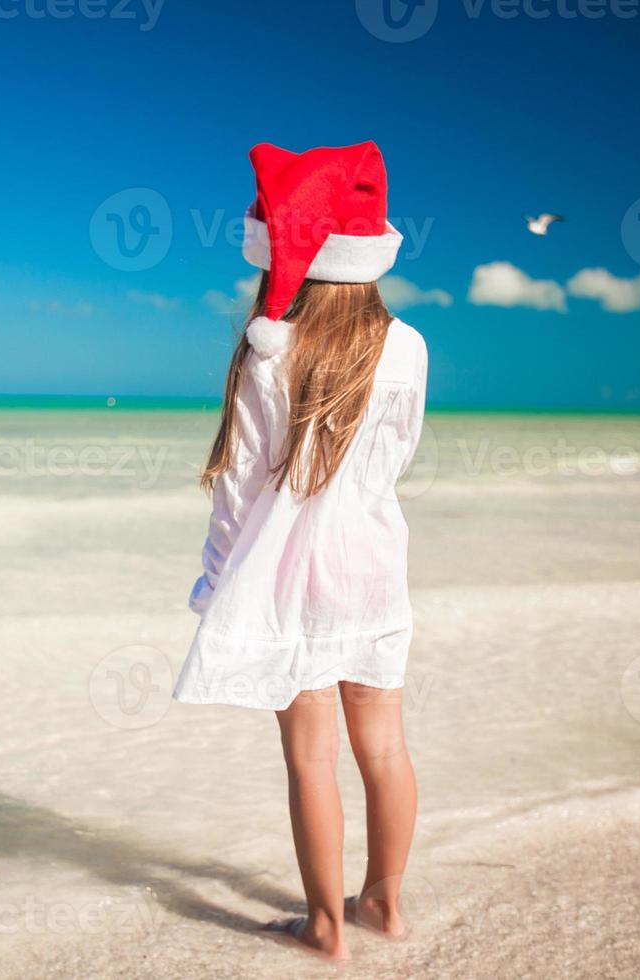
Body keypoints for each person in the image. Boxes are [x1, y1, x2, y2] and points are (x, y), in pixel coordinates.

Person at [172, 141, 429, 961]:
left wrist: (218, 583)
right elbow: (396, 458)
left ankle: (324, 927)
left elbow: (241, 488)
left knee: (310, 755)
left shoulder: (269, 350)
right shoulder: (410, 346)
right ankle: (383, 906)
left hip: (292, 576)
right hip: (375, 566)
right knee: (385, 744)